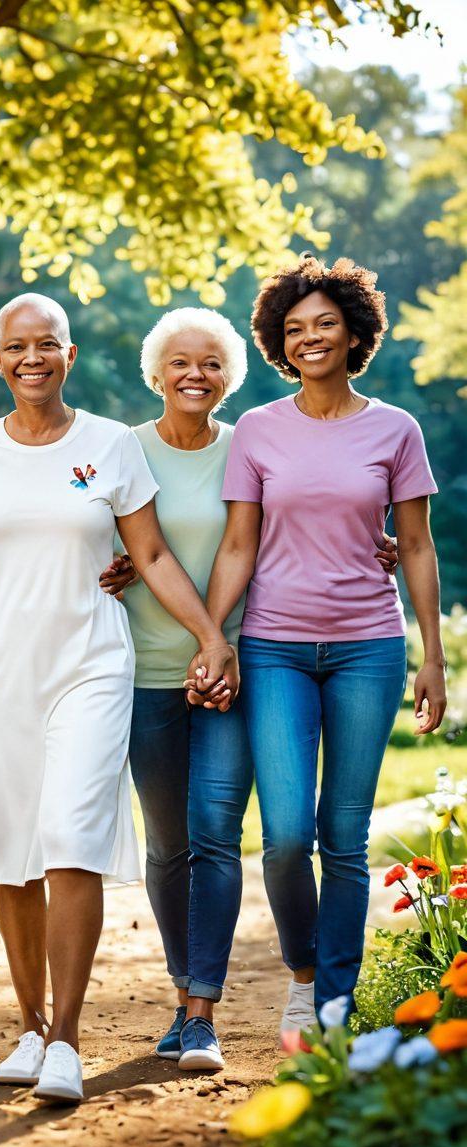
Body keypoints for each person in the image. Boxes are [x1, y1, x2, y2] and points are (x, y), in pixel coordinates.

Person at [0, 292, 238, 1103]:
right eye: (15, 346)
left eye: (47, 344)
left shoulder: (109, 444)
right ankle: (28, 1027)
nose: (31, 358)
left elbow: (154, 554)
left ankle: (66, 1038)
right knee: (12, 851)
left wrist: (211, 636)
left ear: (69, 355)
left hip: (92, 663)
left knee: (71, 835)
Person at [120, 307, 398, 1072]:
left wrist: (379, 543)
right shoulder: (123, 450)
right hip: (149, 668)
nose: (195, 375)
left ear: (231, 373)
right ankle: (184, 990)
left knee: (216, 829)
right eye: (180, 362)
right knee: (169, 845)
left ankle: (203, 1010)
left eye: (211, 362)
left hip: (242, 665)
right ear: (156, 371)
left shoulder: (260, 441)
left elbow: (307, 516)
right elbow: (81, 522)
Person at [204, 253, 446, 1040]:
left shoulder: (395, 428)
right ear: (280, 340)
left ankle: (334, 1002)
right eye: (295, 328)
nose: (310, 338)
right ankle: (304, 974)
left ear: (354, 334)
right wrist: (214, 636)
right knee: (282, 837)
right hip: (273, 647)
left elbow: (414, 547)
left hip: (367, 650)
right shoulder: (258, 432)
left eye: (326, 325)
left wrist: (431, 655)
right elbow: (239, 544)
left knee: (344, 836)